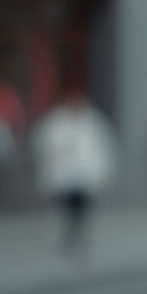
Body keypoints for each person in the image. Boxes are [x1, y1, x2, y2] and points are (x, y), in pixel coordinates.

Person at [30, 86, 116, 252]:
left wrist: (101, 172)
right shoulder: (57, 122)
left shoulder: (92, 122)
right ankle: (70, 235)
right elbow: (45, 145)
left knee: (82, 209)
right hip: (64, 177)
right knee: (67, 209)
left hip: (85, 177)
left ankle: (79, 235)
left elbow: (102, 149)